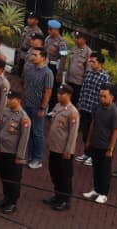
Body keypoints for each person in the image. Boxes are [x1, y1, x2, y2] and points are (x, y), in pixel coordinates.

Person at [0, 89, 30, 214]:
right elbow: (2, 130)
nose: (8, 101)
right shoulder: (6, 111)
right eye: (8, 98)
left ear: (18, 100)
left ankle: (12, 202)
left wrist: (20, 156)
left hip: (13, 153)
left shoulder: (23, 118)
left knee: (13, 178)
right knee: (4, 176)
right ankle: (6, 198)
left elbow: (24, 139)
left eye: (11, 99)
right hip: (3, 150)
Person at [45, 83, 81, 211]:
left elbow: (73, 134)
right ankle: (57, 194)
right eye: (58, 93)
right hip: (54, 147)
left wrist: (68, 151)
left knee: (64, 176)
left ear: (69, 95)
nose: (59, 96)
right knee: (54, 172)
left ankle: (65, 200)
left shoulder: (72, 112)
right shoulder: (57, 106)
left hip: (63, 150)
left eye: (62, 94)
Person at [83, 86, 117, 205]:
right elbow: (93, 124)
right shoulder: (97, 107)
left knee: (104, 171)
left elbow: (116, 131)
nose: (101, 98)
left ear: (112, 97)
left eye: (104, 96)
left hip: (105, 147)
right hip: (95, 144)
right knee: (96, 169)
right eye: (100, 96)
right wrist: (88, 140)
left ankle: (103, 194)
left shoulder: (115, 112)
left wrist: (111, 148)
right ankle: (96, 190)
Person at [22, 47, 54, 168]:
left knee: (37, 132)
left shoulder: (48, 73)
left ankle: (38, 159)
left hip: (38, 107)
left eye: (35, 55)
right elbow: (26, 85)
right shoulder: (30, 68)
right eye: (32, 54)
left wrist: (42, 108)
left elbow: (48, 92)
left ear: (43, 58)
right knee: (29, 131)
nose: (32, 56)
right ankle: (30, 156)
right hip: (27, 104)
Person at [76, 53, 111, 164]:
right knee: (85, 132)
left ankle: (93, 156)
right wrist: (79, 103)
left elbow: (105, 95)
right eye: (90, 61)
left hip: (96, 110)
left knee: (94, 134)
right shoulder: (88, 73)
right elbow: (83, 89)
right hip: (85, 107)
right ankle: (87, 153)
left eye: (93, 62)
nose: (91, 63)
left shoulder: (105, 77)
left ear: (100, 63)